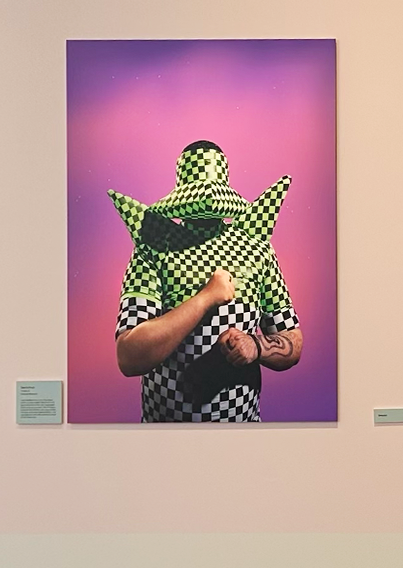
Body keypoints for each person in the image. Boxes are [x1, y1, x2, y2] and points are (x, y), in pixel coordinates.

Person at [109, 141, 302, 423]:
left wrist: (256, 346)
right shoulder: (153, 249)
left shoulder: (257, 249)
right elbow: (129, 356)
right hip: (165, 435)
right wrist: (205, 298)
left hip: (243, 433)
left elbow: (293, 340)